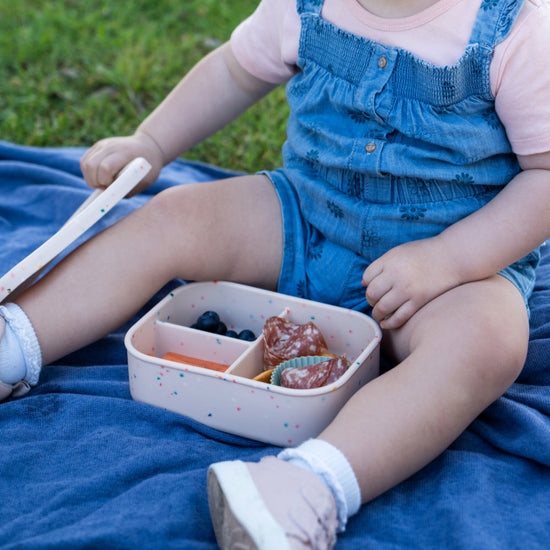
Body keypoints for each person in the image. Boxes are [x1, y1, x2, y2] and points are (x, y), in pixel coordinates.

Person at [2, 0, 550, 547]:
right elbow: (233, 70)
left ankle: (310, 485)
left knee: (490, 342)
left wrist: (449, 259)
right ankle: (17, 341)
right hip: (305, 216)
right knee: (176, 215)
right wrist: (153, 142)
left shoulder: (514, 28)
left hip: (448, 270)